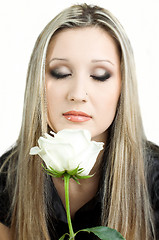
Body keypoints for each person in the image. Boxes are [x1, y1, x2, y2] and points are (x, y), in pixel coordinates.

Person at [0, 3, 159, 240]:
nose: (78, 93)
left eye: (100, 75)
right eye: (61, 73)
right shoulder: (8, 176)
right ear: (38, 83)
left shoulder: (154, 178)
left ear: (122, 87)